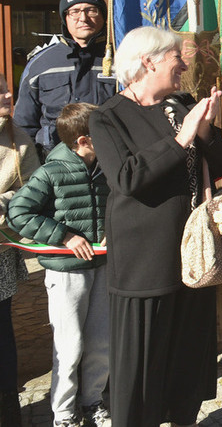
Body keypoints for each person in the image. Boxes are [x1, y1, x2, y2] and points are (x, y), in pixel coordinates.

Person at [90, 26, 222, 427]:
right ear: (148, 62)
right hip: (145, 262)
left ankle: (184, 417)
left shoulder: (181, 105)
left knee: (188, 355)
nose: (184, 66)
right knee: (143, 363)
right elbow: (128, 178)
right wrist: (182, 138)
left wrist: (205, 131)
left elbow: (220, 165)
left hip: (193, 253)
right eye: (176, 58)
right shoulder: (108, 117)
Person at [7, 103, 110, 427]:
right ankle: (64, 414)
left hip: (102, 267)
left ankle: (93, 402)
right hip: (66, 273)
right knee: (70, 346)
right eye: (102, 133)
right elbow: (18, 212)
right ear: (83, 141)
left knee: (101, 342)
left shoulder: (106, 165)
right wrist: (64, 236)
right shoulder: (50, 172)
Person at [15, 0, 117, 156]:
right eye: (75, 12)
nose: (83, 18)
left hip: (110, 160)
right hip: (54, 161)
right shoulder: (41, 63)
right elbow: (24, 125)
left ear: (103, 16)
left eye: (91, 10)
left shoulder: (123, 59)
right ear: (65, 18)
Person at [0, 73, 39, 426]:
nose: (7, 94)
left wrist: (2, 204)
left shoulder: (19, 139)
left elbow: (32, 193)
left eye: (6, 88)